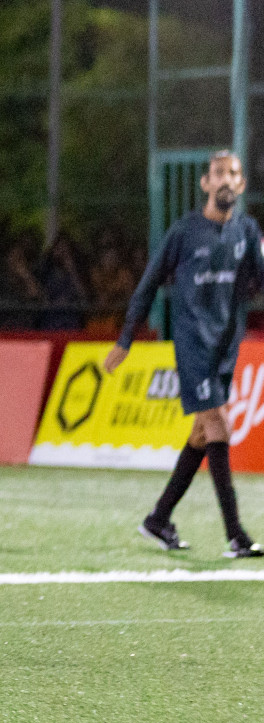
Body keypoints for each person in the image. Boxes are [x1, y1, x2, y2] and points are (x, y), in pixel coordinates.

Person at [106, 149, 263, 558]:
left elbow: (258, 285)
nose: (226, 179)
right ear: (206, 184)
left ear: (241, 185)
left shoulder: (247, 233)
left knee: (200, 435)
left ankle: (158, 519)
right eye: (218, 173)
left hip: (225, 350)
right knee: (219, 427)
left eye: (233, 173)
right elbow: (148, 285)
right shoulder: (184, 232)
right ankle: (237, 536)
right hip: (193, 346)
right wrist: (126, 339)